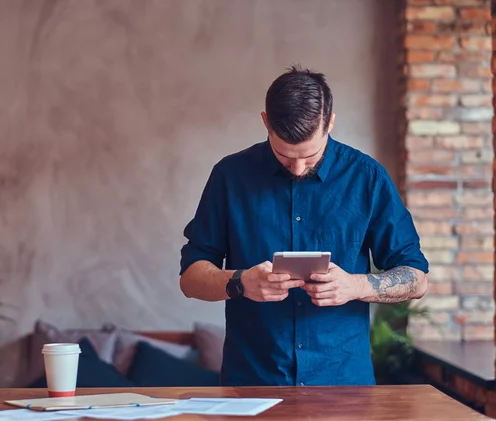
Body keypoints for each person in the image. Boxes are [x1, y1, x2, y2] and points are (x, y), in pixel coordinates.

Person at [178, 65, 429, 387]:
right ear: (266, 122)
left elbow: (416, 279)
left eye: (310, 157)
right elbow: (190, 279)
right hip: (251, 385)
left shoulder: (367, 178)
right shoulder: (230, 176)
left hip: (343, 388)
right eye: (284, 156)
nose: (297, 168)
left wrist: (356, 286)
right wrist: (240, 281)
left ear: (330, 123)